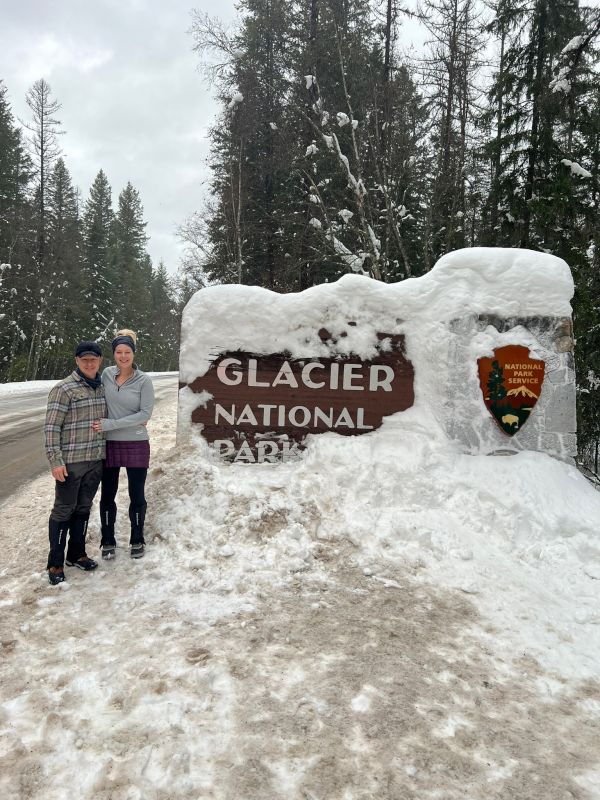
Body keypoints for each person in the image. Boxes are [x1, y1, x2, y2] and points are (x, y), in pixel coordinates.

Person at [44, 341, 106, 585]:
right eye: (84, 359)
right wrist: (55, 461)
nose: (89, 363)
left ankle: (76, 554)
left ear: (100, 360)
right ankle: (55, 563)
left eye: (93, 359)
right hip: (70, 462)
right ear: (77, 361)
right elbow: (51, 427)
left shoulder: (103, 387)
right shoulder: (64, 389)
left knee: (83, 508)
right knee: (63, 509)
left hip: (95, 460)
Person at [93, 329, 155, 559]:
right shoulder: (106, 375)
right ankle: (107, 540)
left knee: (136, 495)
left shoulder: (144, 381)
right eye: (118, 352)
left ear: (134, 353)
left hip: (137, 443)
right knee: (108, 494)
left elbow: (145, 414)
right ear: (113, 354)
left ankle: (137, 539)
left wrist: (111, 424)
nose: (123, 356)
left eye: (127, 351)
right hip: (109, 444)